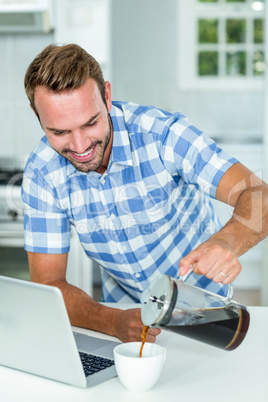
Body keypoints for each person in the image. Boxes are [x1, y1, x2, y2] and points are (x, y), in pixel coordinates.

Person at [22, 43, 268, 343]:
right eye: (59, 132)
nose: (79, 146)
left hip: (206, 309)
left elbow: (259, 194)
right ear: (37, 116)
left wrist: (226, 243)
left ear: (107, 97)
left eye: (90, 123)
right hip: (122, 314)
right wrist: (110, 321)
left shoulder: (162, 134)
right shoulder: (42, 172)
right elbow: (48, 282)